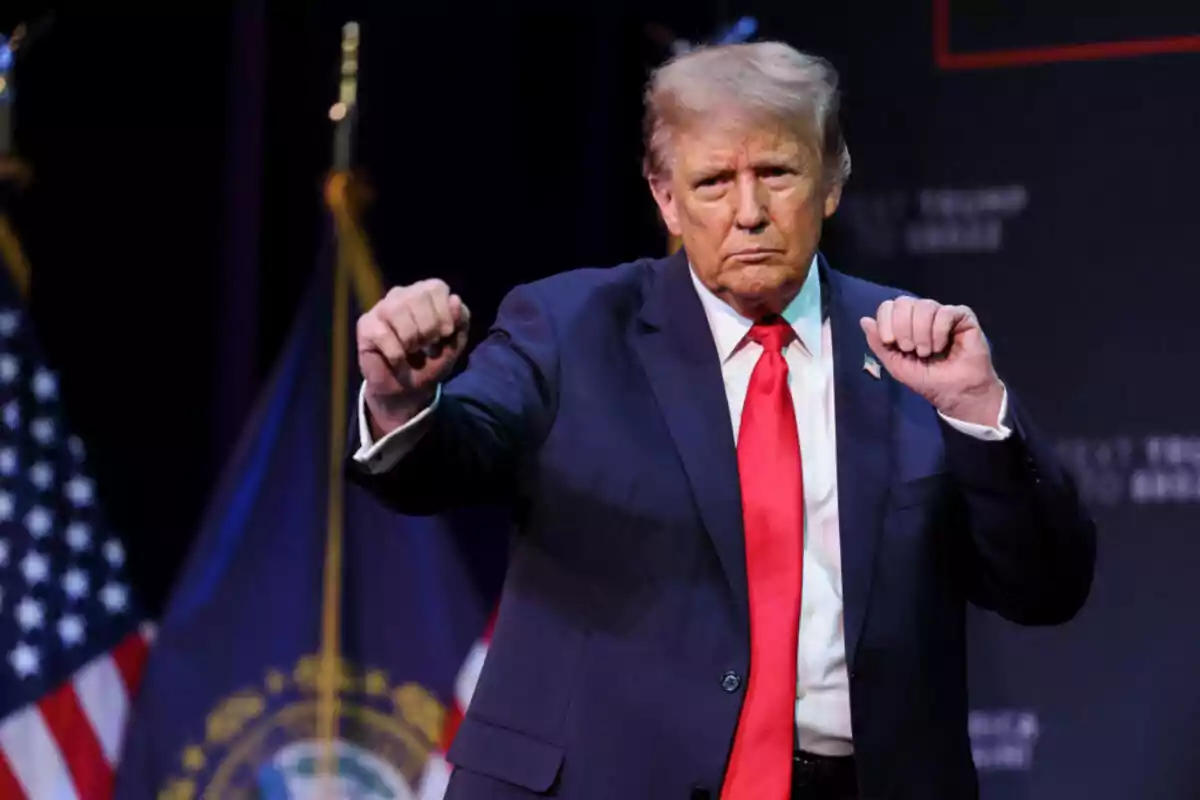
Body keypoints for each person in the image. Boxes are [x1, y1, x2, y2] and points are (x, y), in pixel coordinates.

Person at [346, 41, 1095, 800]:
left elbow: (1047, 588)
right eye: (713, 182)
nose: (749, 213)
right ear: (666, 199)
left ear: (831, 180)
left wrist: (977, 416)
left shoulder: (913, 348)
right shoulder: (571, 327)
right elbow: (450, 456)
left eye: (776, 174)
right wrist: (403, 401)